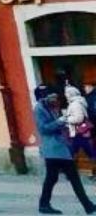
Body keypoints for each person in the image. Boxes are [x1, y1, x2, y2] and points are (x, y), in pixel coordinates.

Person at [36, 87, 96, 215]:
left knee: (52, 178)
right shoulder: (39, 109)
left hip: (60, 149)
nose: (55, 98)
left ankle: (44, 204)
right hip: (53, 149)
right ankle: (88, 206)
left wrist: (65, 123)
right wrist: (60, 121)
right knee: (72, 178)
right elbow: (43, 129)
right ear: (43, 97)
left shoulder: (51, 107)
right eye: (52, 96)